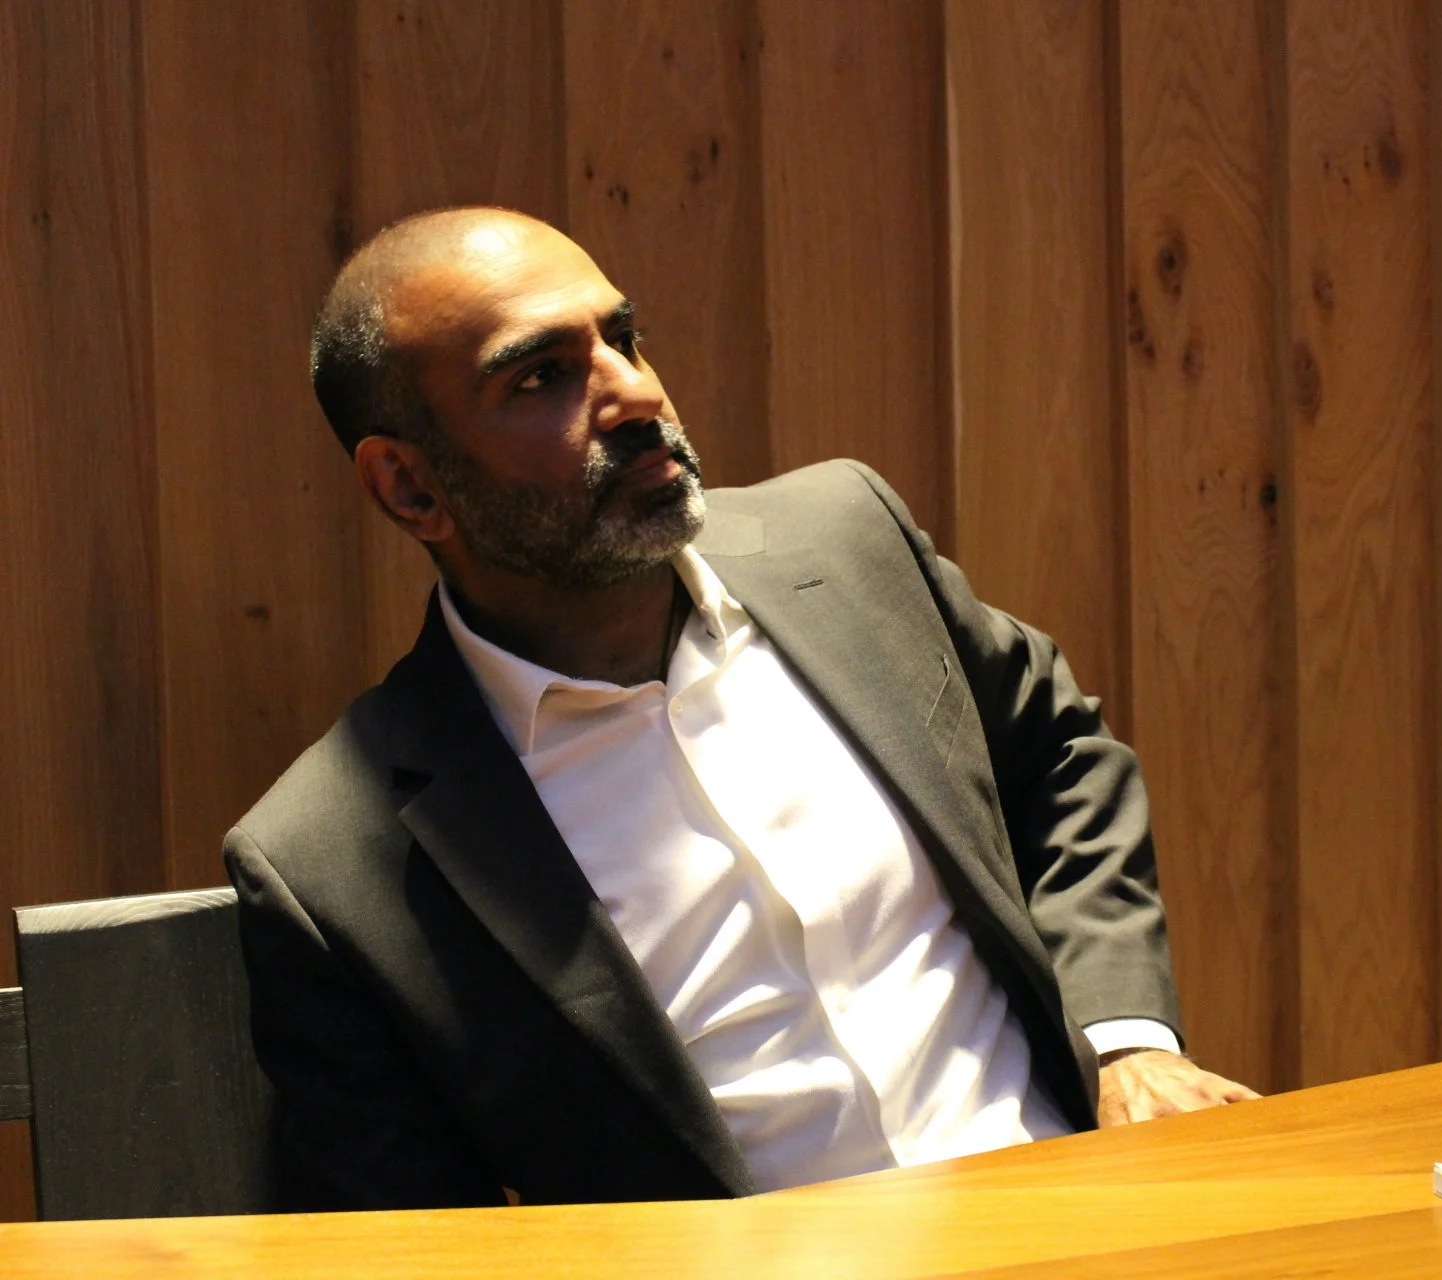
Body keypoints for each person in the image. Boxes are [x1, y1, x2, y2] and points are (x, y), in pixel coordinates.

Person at [226, 206, 1255, 1211]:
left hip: (1087, 1216)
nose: (635, 393)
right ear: (408, 487)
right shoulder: (332, 863)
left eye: (624, 338)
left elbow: (1060, 754)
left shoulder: (845, 545)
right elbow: (411, 1240)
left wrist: (1126, 1043)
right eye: (542, 376)